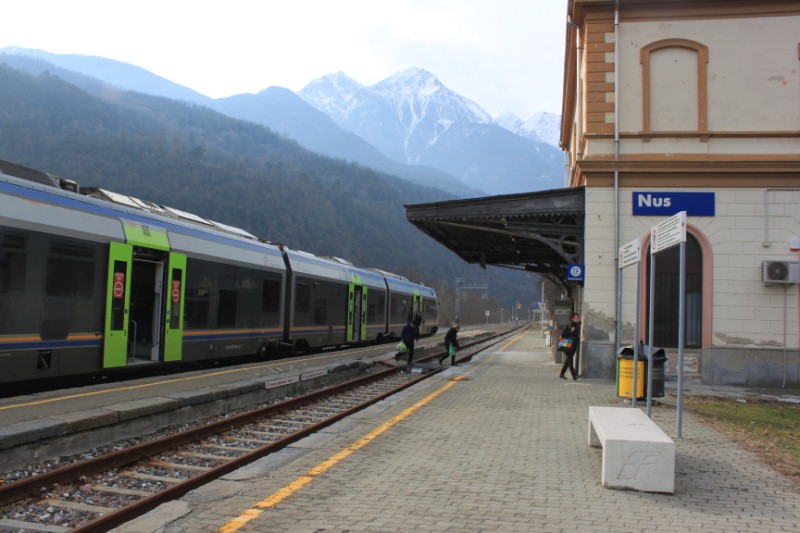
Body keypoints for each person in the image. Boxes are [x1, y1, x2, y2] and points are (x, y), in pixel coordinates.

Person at [558, 312, 581, 381]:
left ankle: (562, 374)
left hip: (573, 346)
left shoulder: (577, 325)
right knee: (570, 361)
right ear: (572, 318)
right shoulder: (570, 325)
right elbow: (563, 334)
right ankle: (574, 376)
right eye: (575, 317)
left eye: (577, 317)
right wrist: (571, 331)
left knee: (568, 361)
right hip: (568, 345)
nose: (577, 318)